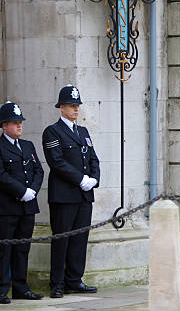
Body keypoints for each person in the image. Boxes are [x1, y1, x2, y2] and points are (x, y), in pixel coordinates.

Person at [42, 85, 100, 298]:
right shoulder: (52, 131)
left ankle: (74, 280)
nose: (76, 109)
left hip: (84, 195)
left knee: (80, 239)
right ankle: (57, 283)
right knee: (62, 239)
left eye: (77, 106)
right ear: (62, 107)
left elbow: (93, 158)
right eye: (72, 106)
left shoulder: (83, 132)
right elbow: (57, 162)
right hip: (64, 196)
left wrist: (94, 179)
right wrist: (81, 179)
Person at [0, 102, 44, 304]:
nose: (19, 126)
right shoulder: (1, 147)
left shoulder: (28, 145)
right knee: (5, 249)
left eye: (20, 122)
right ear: (4, 126)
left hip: (27, 205)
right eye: (15, 123)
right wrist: (21, 191)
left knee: (23, 248)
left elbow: (38, 170)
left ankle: (20, 287)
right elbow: (1, 175)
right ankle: (1, 289)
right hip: (8, 207)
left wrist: (33, 191)